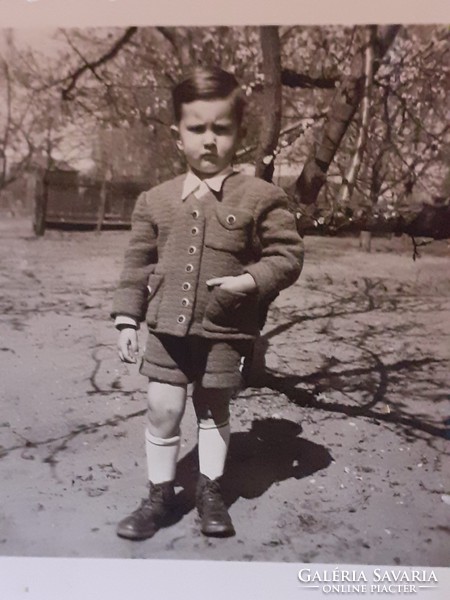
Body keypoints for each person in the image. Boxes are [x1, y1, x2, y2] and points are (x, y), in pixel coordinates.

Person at [111, 66, 304, 540]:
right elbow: (137, 264)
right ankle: (159, 494)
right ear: (179, 136)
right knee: (162, 405)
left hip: (223, 328)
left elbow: (288, 255)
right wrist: (126, 318)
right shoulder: (154, 201)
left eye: (222, 128)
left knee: (213, 406)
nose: (209, 140)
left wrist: (250, 281)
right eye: (197, 129)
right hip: (165, 329)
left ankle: (210, 490)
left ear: (239, 134)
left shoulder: (262, 197)